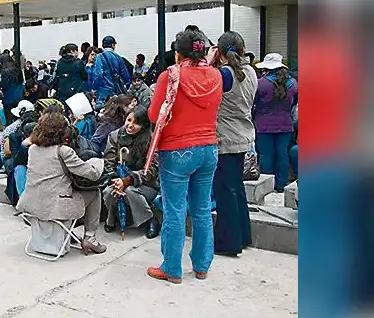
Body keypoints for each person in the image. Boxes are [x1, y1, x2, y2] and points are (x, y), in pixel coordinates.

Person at [146, 28, 223, 284]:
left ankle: (172, 268)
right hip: (209, 148)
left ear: (178, 53)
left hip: (177, 151)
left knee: (175, 210)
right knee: (202, 210)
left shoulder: (170, 76)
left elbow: (154, 115)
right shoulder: (216, 75)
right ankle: (202, 266)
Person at [16, 111, 107, 255]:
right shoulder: (63, 151)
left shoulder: (33, 149)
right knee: (94, 193)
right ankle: (90, 237)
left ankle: (68, 233)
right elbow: (92, 174)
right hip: (54, 208)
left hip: (31, 205)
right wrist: (98, 161)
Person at [212, 31, 259, 257]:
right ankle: (243, 235)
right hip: (244, 136)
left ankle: (228, 243)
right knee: (237, 189)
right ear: (243, 50)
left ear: (220, 53)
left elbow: (208, 86)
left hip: (225, 139)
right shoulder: (251, 72)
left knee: (225, 191)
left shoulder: (224, 75)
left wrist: (212, 63)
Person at [102, 106, 161, 238]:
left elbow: (152, 169)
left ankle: (149, 219)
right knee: (108, 192)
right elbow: (108, 162)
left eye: (136, 123)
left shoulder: (151, 140)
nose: (130, 125)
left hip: (145, 184)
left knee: (129, 191)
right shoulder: (115, 136)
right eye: (129, 120)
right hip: (119, 178)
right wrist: (116, 180)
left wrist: (128, 180)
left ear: (144, 125)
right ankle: (111, 219)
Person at [253, 53, 298, 192]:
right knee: (282, 154)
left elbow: (253, 102)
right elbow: (295, 102)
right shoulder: (293, 83)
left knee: (266, 155)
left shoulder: (261, 83)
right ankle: (282, 185)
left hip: (264, 125)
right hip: (285, 125)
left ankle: (267, 185)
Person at [89, 36, 131, 107]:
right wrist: (127, 84)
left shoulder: (99, 57)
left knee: (102, 112)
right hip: (116, 90)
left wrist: (94, 87)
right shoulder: (118, 57)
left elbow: (98, 75)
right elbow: (125, 74)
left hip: (104, 92)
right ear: (112, 45)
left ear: (103, 45)